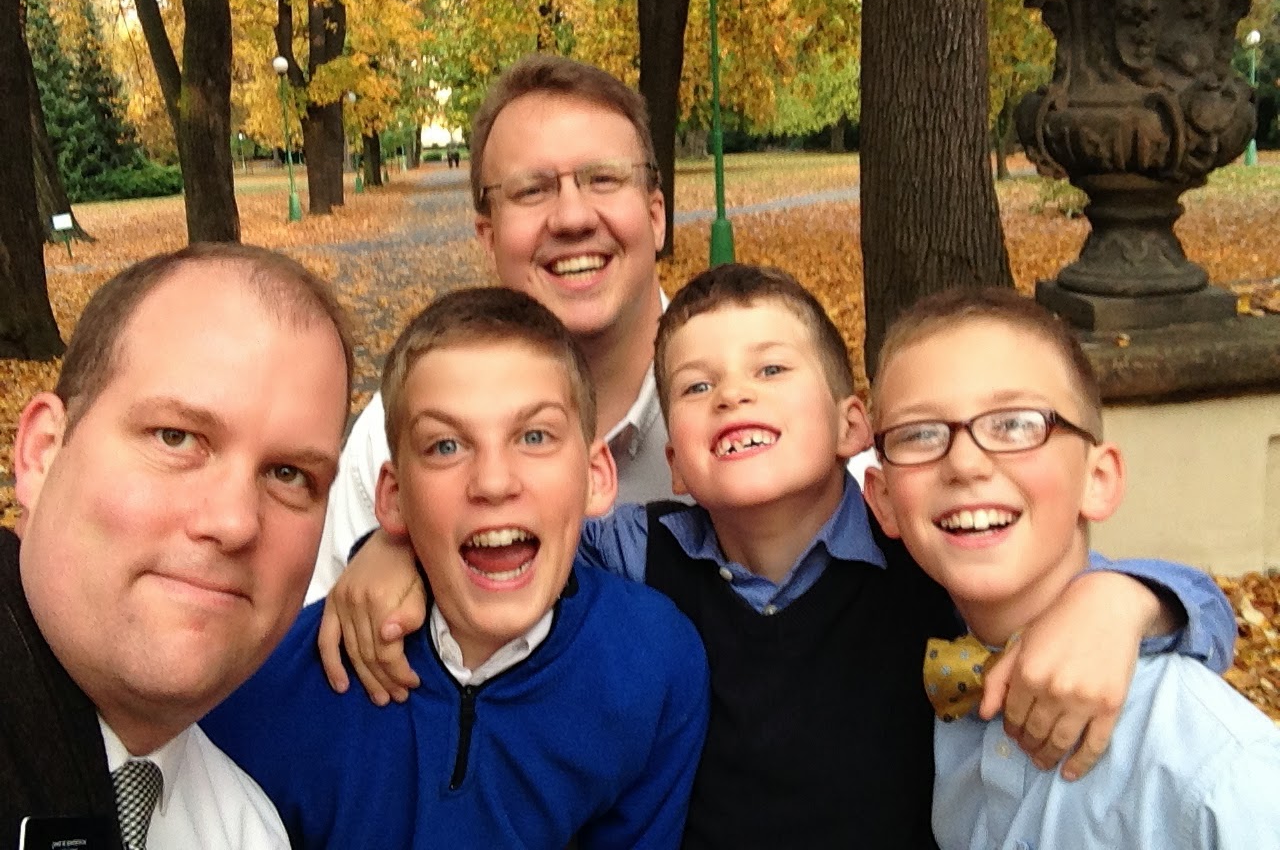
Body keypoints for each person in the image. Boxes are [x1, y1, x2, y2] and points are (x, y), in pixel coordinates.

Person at [320, 264, 1236, 849]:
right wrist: (390, 549)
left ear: (852, 427)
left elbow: (1091, 596)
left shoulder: (920, 548)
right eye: (696, 386)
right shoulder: (634, 554)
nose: (732, 396)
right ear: (674, 459)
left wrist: (1131, 599)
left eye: (770, 370)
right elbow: (506, 537)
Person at [201, 287, 710, 849]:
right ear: (393, 497)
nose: (493, 482)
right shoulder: (265, 689)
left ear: (596, 477)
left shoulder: (656, 664)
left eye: (535, 436)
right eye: (445, 446)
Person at [862, 286, 1280, 849]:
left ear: (1097, 479)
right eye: (919, 433)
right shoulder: (910, 651)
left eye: (1015, 424)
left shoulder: (1213, 769)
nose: (964, 462)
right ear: (884, 500)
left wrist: (1130, 600)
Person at [1, 244, 353, 849]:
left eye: (290, 475)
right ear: (41, 453)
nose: (235, 522)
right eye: (176, 437)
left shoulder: (246, 830)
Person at [306, 54, 688, 611]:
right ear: (488, 237)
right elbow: (321, 628)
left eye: (603, 179)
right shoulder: (402, 429)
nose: (573, 218)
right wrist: (389, 545)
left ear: (656, 216)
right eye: (531, 191)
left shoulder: (757, 405)